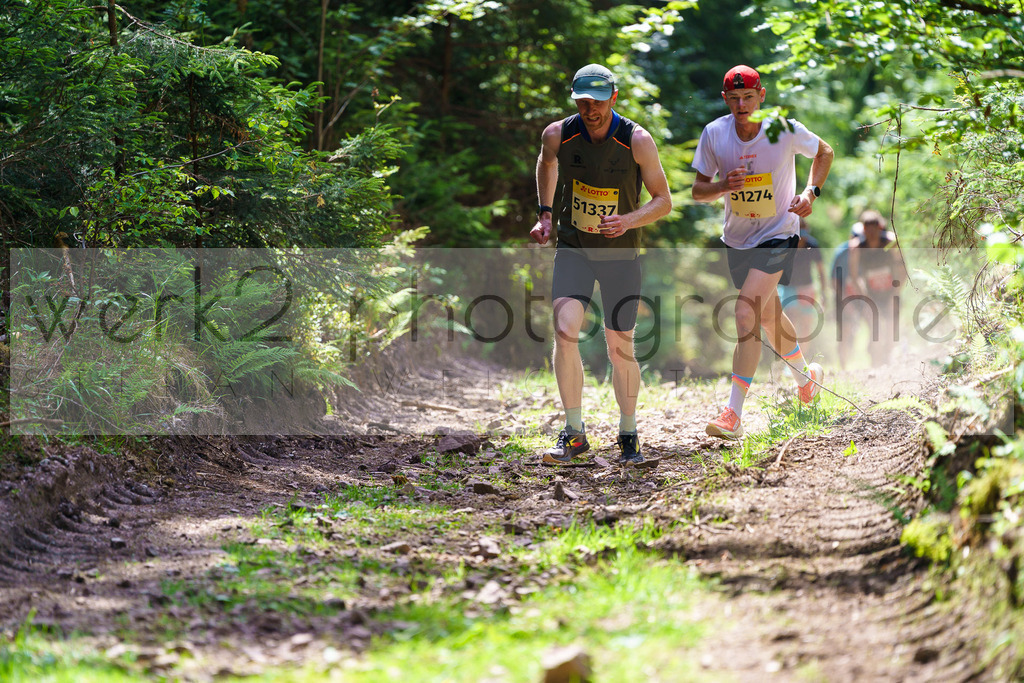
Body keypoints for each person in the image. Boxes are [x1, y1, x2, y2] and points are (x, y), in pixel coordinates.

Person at [530, 63, 672, 464]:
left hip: (620, 256)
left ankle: (628, 432)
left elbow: (664, 200)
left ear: (614, 98)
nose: (590, 109)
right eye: (583, 101)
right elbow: (547, 163)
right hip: (574, 247)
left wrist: (627, 220)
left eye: (597, 100)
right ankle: (574, 433)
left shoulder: (636, 140)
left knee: (619, 347)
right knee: (564, 330)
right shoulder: (558, 134)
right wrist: (544, 214)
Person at [692, 65, 834, 440]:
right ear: (725, 100)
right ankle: (807, 379)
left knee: (744, 311)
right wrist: (723, 185)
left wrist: (810, 193)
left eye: (748, 98)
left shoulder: (782, 129)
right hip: (738, 240)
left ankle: (733, 415)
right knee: (768, 317)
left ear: (762, 96)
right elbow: (698, 191)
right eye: (734, 99)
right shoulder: (715, 134)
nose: (742, 105)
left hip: (780, 233)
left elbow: (825, 152)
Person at [838, 209, 906, 366]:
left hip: (891, 290)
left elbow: (902, 270)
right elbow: (854, 277)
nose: (871, 233)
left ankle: (887, 357)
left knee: (891, 328)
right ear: (863, 229)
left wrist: (895, 294)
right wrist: (865, 297)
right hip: (870, 293)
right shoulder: (856, 248)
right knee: (874, 327)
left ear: (880, 227)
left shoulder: (890, 242)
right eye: (867, 229)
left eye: (874, 229)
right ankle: (875, 361)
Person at [778, 218, 826, 342]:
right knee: (790, 320)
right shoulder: (786, 245)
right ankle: (788, 357)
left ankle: (802, 356)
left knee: (806, 325)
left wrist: (823, 293)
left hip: (807, 287)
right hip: (789, 287)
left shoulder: (812, 245)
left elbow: (821, 270)